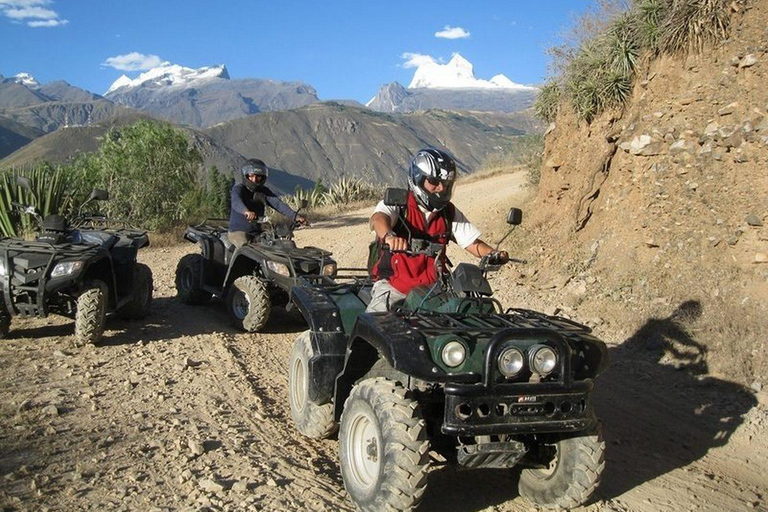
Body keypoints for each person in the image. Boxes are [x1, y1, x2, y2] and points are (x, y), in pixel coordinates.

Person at [367, 148, 509, 312]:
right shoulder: (398, 204)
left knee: (468, 316)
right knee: (376, 324)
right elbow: (379, 219)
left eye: (445, 183)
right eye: (434, 182)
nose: (441, 188)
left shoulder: (448, 212)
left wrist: (493, 254)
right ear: (418, 179)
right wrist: (390, 236)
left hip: (434, 290)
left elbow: (472, 243)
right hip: (394, 287)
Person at [228, 159, 307, 248]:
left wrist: (295, 216)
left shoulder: (264, 191)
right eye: (251, 176)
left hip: (257, 231)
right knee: (245, 249)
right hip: (239, 231)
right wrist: (246, 211)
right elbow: (236, 202)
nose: (254, 179)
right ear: (245, 175)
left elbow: (277, 204)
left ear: (263, 177)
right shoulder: (239, 189)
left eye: (258, 177)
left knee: (274, 245)